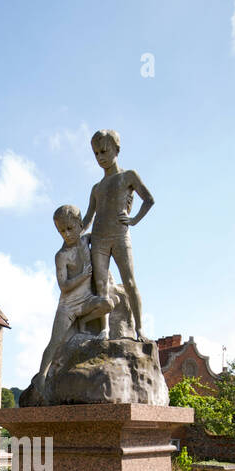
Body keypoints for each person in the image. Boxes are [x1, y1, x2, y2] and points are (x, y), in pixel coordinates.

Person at [81, 128, 153, 341]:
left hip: (120, 236)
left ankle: (140, 329)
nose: (100, 157)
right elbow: (88, 218)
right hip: (99, 239)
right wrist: (74, 236)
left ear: (116, 149)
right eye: (96, 153)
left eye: (104, 151)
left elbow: (148, 199)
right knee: (102, 288)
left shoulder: (128, 176)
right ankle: (105, 330)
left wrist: (134, 220)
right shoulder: (97, 187)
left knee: (129, 282)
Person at [34, 203, 115, 388]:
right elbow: (63, 286)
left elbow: (92, 215)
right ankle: (41, 377)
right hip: (68, 306)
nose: (66, 234)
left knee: (107, 304)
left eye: (70, 228)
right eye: (61, 231)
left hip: (87, 302)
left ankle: (84, 322)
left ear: (79, 224)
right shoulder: (62, 255)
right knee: (55, 342)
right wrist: (83, 276)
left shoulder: (87, 240)